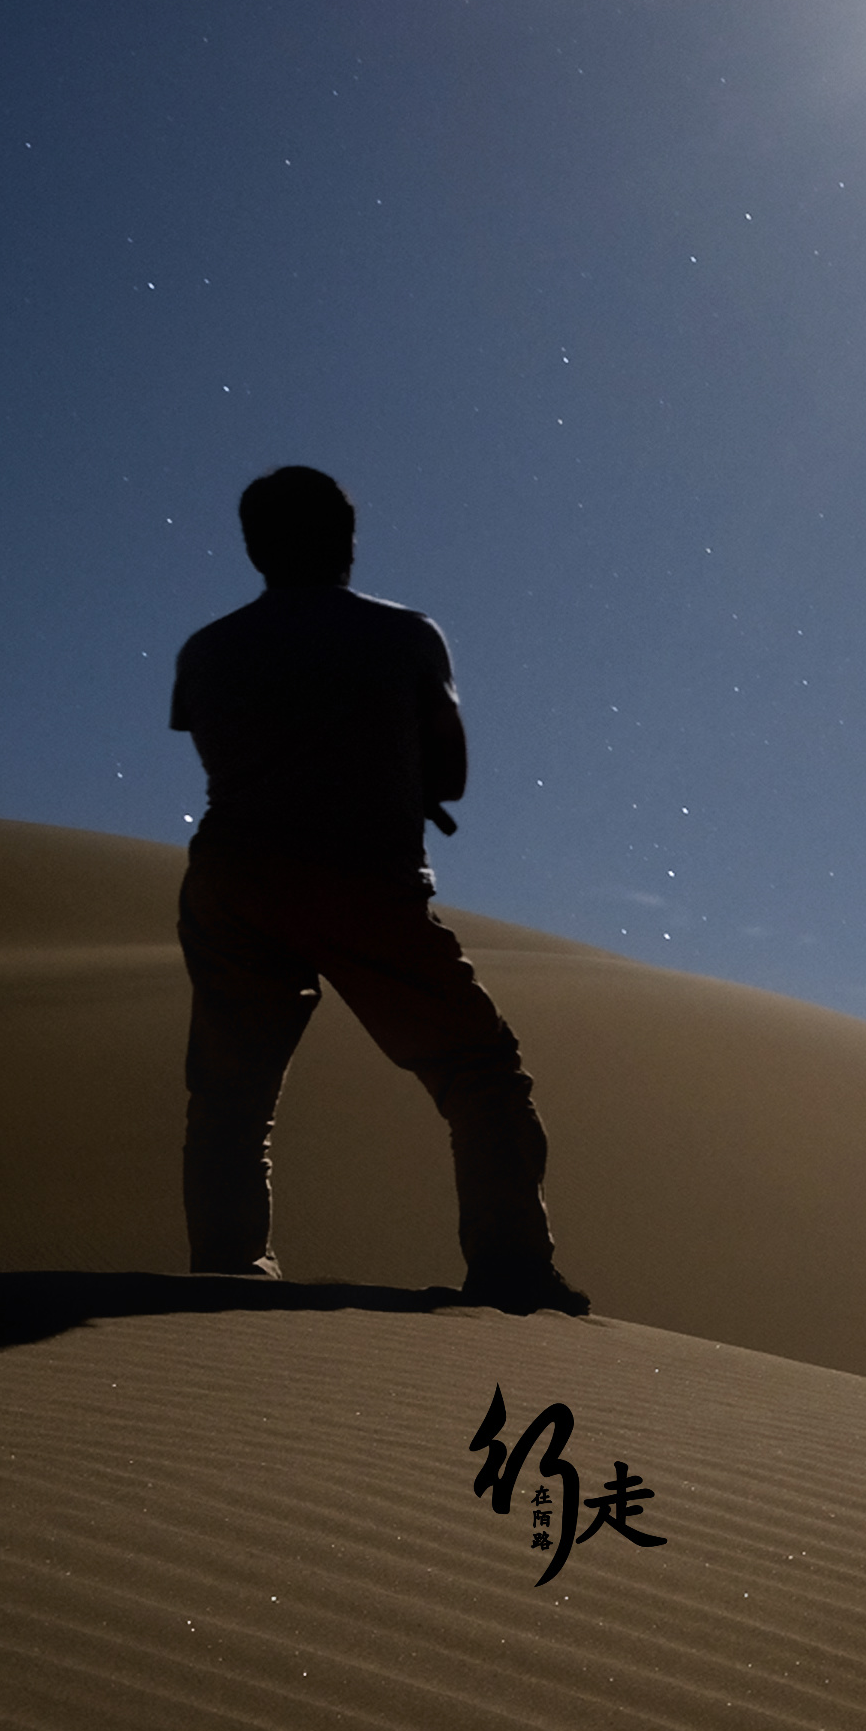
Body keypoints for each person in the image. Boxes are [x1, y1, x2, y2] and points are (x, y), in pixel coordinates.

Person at [169, 466, 586, 1314]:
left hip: (231, 877)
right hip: (358, 875)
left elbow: (220, 751)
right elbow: (454, 773)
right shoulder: (402, 637)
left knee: (231, 1094)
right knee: (480, 1071)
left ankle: (227, 1268)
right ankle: (513, 1270)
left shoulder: (208, 649)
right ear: (346, 541)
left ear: (254, 546)